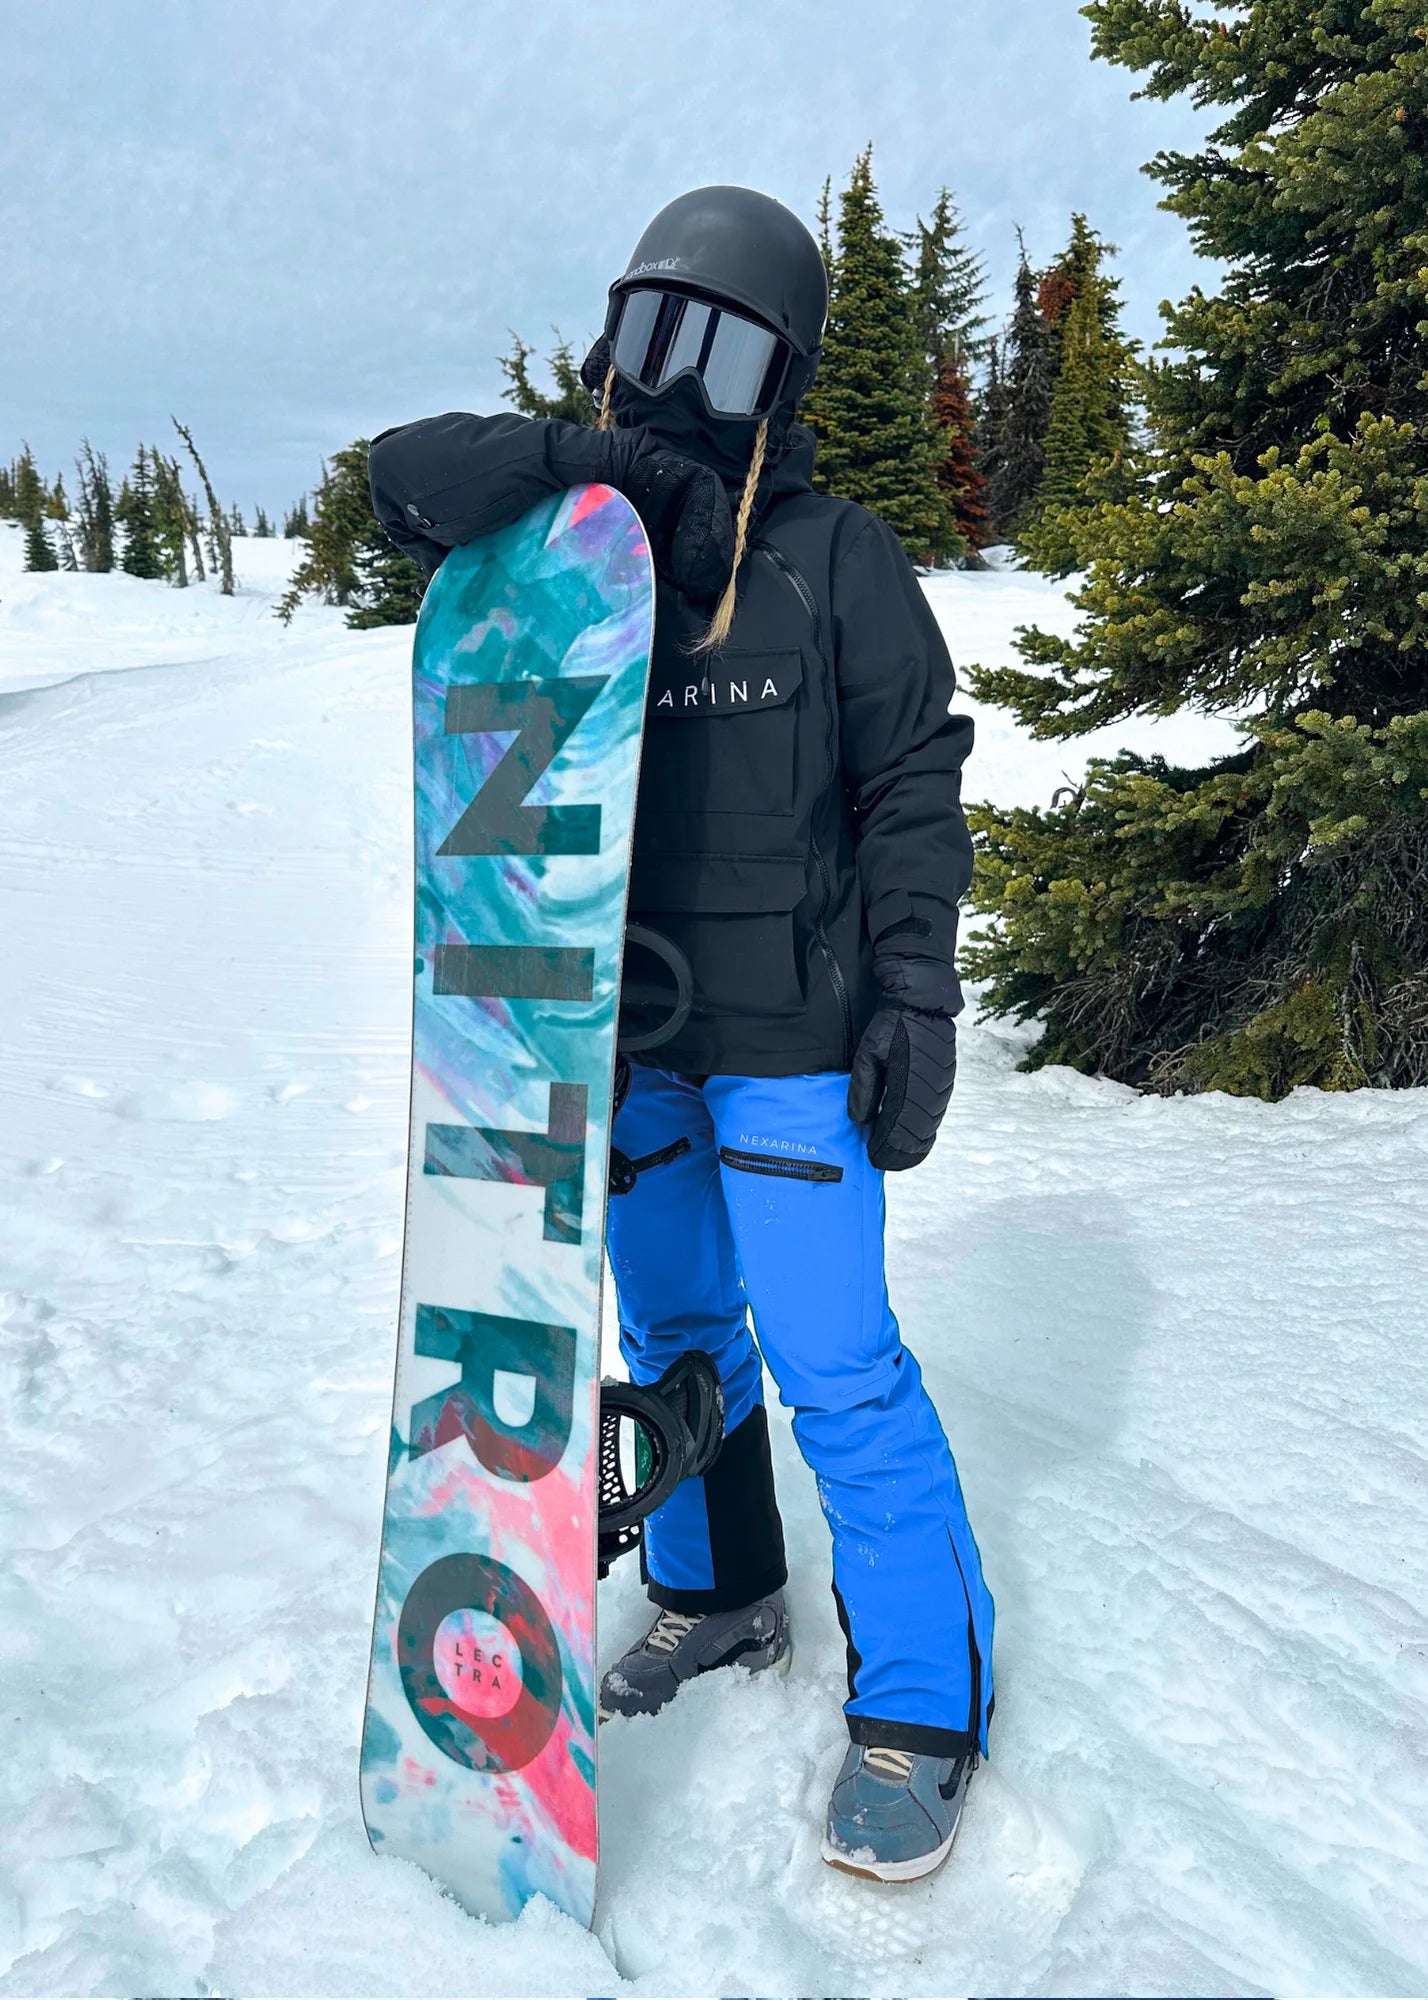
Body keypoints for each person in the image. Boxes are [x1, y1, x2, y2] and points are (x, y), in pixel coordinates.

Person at [368, 185, 994, 1883]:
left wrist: (916, 996)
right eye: (643, 331)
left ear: (779, 375)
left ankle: (925, 1703)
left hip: (794, 1046)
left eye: (709, 344)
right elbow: (396, 479)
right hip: (622, 1038)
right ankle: (720, 1596)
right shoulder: (580, 548)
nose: (669, 374)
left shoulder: (836, 559)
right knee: (679, 1332)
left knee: (836, 1365)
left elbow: (913, 788)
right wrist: (590, 459)